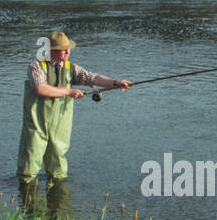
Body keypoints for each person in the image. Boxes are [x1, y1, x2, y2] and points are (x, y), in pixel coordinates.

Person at [16, 31, 131, 193]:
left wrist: (116, 82)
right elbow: (40, 89)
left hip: (60, 124)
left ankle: (58, 199)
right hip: (37, 123)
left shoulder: (71, 68)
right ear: (52, 51)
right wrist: (69, 92)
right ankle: (27, 199)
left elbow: (92, 78)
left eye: (68, 49)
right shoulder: (36, 66)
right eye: (64, 49)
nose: (68, 52)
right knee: (30, 162)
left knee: (58, 167)